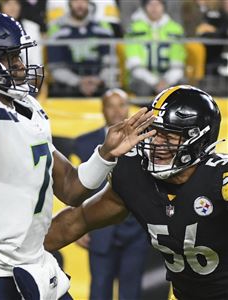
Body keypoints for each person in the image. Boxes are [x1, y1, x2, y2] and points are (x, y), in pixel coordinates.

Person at [0, 12, 156, 299]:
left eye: (19, 56)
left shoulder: (29, 109)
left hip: (33, 262)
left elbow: (72, 189)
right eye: (10, 57)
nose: (21, 65)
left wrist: (105, 154)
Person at [45, 85, 228, 300]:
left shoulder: (220, 180)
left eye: (169, 136)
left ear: (199, 140)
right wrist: (18, 251)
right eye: (154, 133)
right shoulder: (134, 175)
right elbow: (76, 221)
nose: (157, 143)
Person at [73, 88, 148, 300]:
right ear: (102, 109)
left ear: (128, 107)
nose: (117, 111)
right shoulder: (83, 143)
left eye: (121, 104)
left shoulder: (147, 142)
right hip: (99, 229)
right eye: (111, 105)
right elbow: (77, 187)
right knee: (99, 290)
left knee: (131, 292)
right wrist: (79, 224)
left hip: (136, 230)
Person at [47, 0, 117, 97]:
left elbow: (111, 62)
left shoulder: (103, 28)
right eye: (76, 1)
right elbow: (55, 67)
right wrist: (78, 82)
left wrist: (99, 80)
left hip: (100, 84)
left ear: (89, 3)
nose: (80, 5)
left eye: (83, 1)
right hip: (67, 88)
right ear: (69, 3)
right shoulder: (57, 29)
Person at [125, 0, 186, 96]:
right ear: (144, 6)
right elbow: (134, 63)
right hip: (143, 79)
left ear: (164, 6)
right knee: (142, 88)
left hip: (168, 77)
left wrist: (167, 81)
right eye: (150, 4)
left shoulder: (175, 29)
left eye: (158, 4)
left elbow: (177, 62)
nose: (154, 8)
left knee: (182, 88)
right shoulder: (134, 28)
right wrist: (155, 82)